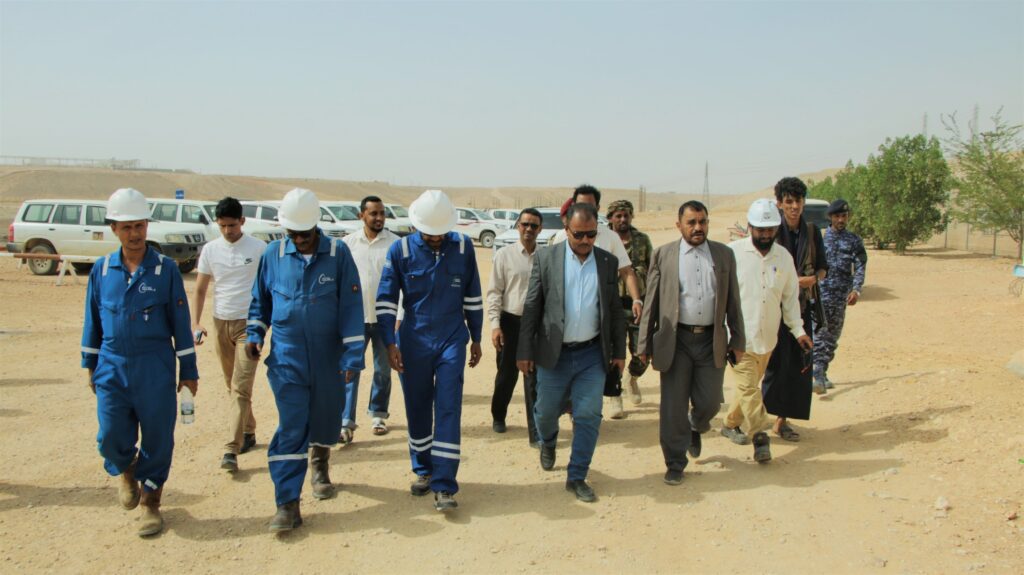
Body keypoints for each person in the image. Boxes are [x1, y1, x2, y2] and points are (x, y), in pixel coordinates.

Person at [81, 187, 199, 537]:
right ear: (114, 229)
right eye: (126, 227)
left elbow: (181, 324)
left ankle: (150, 502)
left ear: (147, 225)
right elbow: (92, 321)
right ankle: (126, 469)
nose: (134, 234)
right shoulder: (102, 270)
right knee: (109, 436)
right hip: (112, 366)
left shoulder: (165, 271)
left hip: (155, 367)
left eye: (139, 226)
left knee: (158, 438)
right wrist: (90, 365)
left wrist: (188, 371)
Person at [246, 188, 365, 532]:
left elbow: (351, 307)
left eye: (305, 233)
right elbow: (260, 301)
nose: (298, 239)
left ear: (317, 226)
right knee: (291, 426)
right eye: (293, 233)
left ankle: (320, 463)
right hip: (287, 358)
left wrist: (352, 356)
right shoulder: (273, 254)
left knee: (326, 418)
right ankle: (287, 503)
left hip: (329, 358)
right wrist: (255, 334)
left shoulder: (338, 254)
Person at [375, 189, 483, 512]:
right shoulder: (400, 250)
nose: (436, 239)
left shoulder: (463, 247)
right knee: (417, 406)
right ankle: (423, 468)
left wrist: (476, 337)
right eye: (429, 234)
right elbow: (386, 300)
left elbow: (473, 296)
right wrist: (390, 342)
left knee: (448, 407)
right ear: (416, 226)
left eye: (441, 233)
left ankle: (445, 485)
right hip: (413, 339)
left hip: (452, 339)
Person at [517, 202, 626, 503]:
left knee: (589, 414)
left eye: (591, 234)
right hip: (554, 354)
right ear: (566, 230)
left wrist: (619, 352)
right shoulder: (546, 258)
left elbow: (615, 310)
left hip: (592, 354)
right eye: (579, 235)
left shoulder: (606, 262)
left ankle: (577, 475)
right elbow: (532, 306)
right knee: (545, 412)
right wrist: (524, 350)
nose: (585, 241)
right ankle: (549, 441)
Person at [637, 200, 745, 485]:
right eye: (692, 222)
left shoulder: (723, 255)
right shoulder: (663, 255)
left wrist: (738, 338)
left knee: (710, 402)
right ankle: (675, 462)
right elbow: (651, 302)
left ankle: (696, 424)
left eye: (703, 221)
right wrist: (643, 345)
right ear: (679, 225)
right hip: (676, 341)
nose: (698, 227)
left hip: (711, 340)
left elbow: (733, 299)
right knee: (673, 407)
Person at [724, 199, 813, 463]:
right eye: (760, 229)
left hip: (767, 340)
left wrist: (799, 331)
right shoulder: (732, 254)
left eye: (770, 229)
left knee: (748, 388)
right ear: (750, 226)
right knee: (750, 390)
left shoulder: (783, 258)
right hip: (738, 339)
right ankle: (760, 437)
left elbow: (790, 299)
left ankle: (730, 424)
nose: (765, 234)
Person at [551, 185, 642, 419]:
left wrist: (637, 299)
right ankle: (576, 409)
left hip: (603, 314)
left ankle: (613, 397)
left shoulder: (610, 238)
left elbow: (626, 270)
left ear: (598, 207)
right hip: (570, 316)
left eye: (589, 205)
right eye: (579, 204)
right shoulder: (562, 237)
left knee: (608, 357)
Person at [191, 197, 265, 473]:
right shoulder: (211, 250)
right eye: (222, 226)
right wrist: (195, 323)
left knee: (240, 386)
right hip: (220, 322)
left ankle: (230, 449)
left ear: (242, 221)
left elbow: (268, 287)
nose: (227, 231)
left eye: (232, 225)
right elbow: (200, 289)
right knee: (230, 384)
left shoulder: (259, 248)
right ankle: (248, 430)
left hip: (249, 326)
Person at [762, 177, 828, 442]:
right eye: (788, 201)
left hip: (801, 309)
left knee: (798, 366)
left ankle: (782, 420)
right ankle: (755, 416)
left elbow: (823, 268)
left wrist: (814, 279)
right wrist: (790, 280)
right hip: (772, 309)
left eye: (798, 201)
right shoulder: (771, 232)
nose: (794, 207)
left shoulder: (812, 232)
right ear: (779, 203)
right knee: (770, 365)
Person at [340, 196, 401, 444]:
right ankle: (346, 422)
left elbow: (403, 285)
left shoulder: (395, 244)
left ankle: (378, 414)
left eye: (382, 213)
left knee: (383, 370)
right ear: (361, 215)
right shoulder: (347, 245)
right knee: (349, 369)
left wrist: (399, 316)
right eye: (374, 213)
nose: (379, 218)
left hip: (386, 320)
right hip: (355, 320)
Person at [486, 208, 543, 444]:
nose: (529, 229)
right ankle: (498, 415)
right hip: (510, 322)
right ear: (518, 226)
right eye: (525, 224)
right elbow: (494, 292)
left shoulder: (545, 257)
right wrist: (495, 325)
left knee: (534, 378)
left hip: (536, 325)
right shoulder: (504, 255)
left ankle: (536, 431)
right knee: (506, 375)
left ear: (540, 229)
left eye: (534, 225)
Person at [814, 198, 867, 389]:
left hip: (840, 297)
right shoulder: (819, 238)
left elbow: (860, 266)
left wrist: (856, 289)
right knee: (819, 335)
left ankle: (822, 372)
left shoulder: (854, 241)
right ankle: (818, 373)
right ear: (830, 217)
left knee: (832, 337)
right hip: (820, 295)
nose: (841, 220)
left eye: (844, 216)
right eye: (837, 216)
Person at [606, 199, 653, 416]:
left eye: (626, 215)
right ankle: (615, 396)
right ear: (610, 218)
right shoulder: (603, 239)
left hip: (637, 304)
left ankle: (632, 378)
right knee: (612, 353)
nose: (623, 219)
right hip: (612, 305)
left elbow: (653, 270)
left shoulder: (642, 240)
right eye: (618, 216)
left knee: (642, 352)